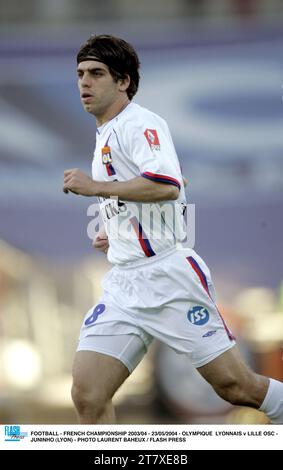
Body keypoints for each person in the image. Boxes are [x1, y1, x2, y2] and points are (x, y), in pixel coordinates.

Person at [63, 34, 283, 424]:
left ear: (124, 81)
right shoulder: (107, 133)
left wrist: (93, 186)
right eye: (80, 73)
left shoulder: (141, 123)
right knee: (87, 393)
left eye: (96, 73)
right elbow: (140, 195)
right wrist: (118, 233)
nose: (84, 82)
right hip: (124, 284)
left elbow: (167, 186)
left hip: (168, 278)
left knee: (235, 387)